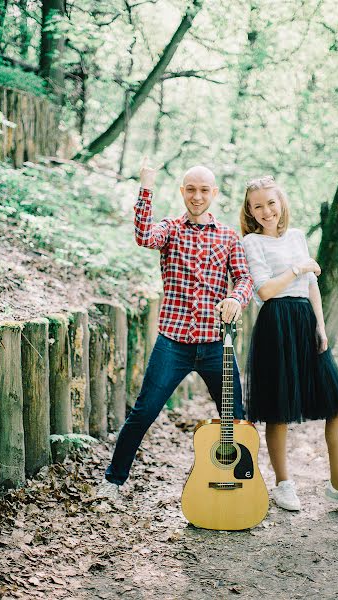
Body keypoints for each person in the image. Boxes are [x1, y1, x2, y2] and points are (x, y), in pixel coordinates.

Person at [97, 159, 253, 500]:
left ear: (214, 193)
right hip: (173, 342)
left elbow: (244, 278)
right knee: (144, 412)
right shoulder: (170, 228)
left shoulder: (228, 236)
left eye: (203, 191)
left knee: (236, 418)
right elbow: (142, 236)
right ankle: (113, 481)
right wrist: (146, 186)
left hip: (215, 344)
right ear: (183, 192)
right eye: (191, 190)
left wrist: (236, 299)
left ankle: (244, 487)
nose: (197, 197)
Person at [240, 174, 338, 513]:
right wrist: (299, 268)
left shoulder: (297, 236)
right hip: (276, 321)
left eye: (271, 202)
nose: (266, 211)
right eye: (258, 206)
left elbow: (312, 285)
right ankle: (284, 485)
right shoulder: (252, 242)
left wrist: (321, 325)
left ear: (281, 201)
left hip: (304, 319)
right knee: (277, 410)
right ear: (251, 212)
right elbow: (265, 290)